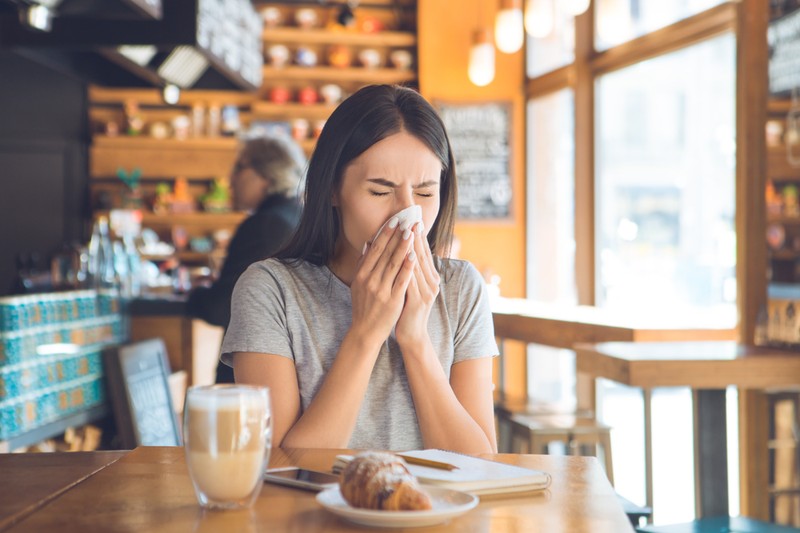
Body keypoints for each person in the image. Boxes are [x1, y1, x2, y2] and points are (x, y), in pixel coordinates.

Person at [221, 85, 498, 454]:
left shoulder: (461, 289)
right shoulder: (270, 290)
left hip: (437, 511)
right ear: (333, 189)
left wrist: (415, 338)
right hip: (309, 512)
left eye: (426, 193)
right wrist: (366, 334)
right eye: (380, 192)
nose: (406, 214)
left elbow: (479, 464)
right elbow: (280, 466)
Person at [186, 134, 304, 384]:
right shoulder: (297, 215)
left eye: (239, 167)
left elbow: (221, 308)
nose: (231, 179)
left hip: (253, 376)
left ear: (266, 174)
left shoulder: (265, 225)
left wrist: (193, 293)